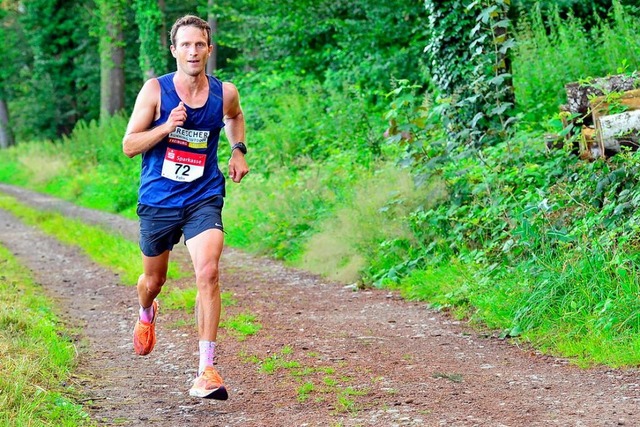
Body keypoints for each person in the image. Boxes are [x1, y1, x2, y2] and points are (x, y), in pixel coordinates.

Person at [122, 14, 249, 400]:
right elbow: (129, 145)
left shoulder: (224, 92)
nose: (193, 51)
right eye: (186, 45)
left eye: (200, 44)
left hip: (203, 195)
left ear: (209, 49)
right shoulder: (155, 90)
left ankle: (206, 369)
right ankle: (146, 312)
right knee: (153, 282)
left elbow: (235, 117)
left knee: (208, 271)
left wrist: (238, 149)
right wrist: (165, 127)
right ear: (174, 50)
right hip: (159, 199)